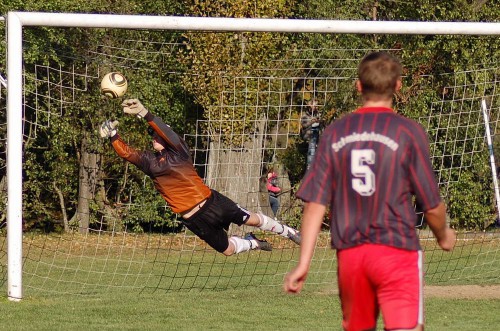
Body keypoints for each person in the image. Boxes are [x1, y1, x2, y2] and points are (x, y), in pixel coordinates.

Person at [283, 52, 456, 331]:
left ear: (358, 86)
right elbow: (431, 205)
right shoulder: (407, 132)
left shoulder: (336, 133)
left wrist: (303, 263)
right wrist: (444, 235)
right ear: (398, 86)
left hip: (351, 254)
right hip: (397, 250)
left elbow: (315, 203)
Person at [99, 99, 301, 256]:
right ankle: (252, 242)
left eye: (157, 134)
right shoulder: (150, 163)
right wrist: (113, 135)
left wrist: (144, 113)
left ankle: (288, 231)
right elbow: (127, 153)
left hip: (212, 202)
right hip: (193, 219)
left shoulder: (180, 151)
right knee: (228, 250)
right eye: (152, 135)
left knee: (251, 219)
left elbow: (167, 132)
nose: (154, 137)